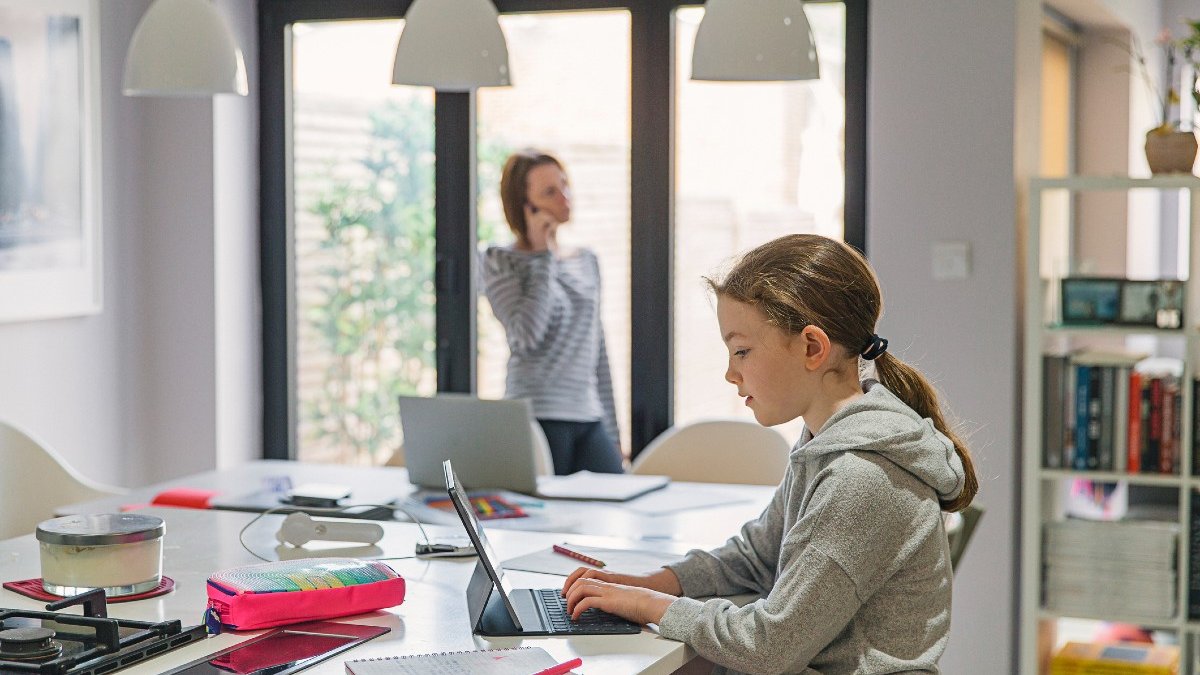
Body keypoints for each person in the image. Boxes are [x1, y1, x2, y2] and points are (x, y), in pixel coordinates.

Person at [562, 233, 979, 674]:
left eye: (742, 351)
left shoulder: (863, 477)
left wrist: (652, 606)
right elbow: (758, 555)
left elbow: (770, 645)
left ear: (812, 348)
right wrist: (657, 583)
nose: (730, 373)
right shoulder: (827, 441)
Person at [479, 149, 624, 475]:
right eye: (549, 192)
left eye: (564, 185)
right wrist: (543, 257)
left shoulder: (586, 259)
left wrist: (614, 432)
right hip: (536, 417)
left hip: (587, 414)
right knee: (546, 520)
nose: (565, 197)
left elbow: (597, 348)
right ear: (524, 205)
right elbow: (526, 337)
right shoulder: (499, 260)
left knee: (616, 502)